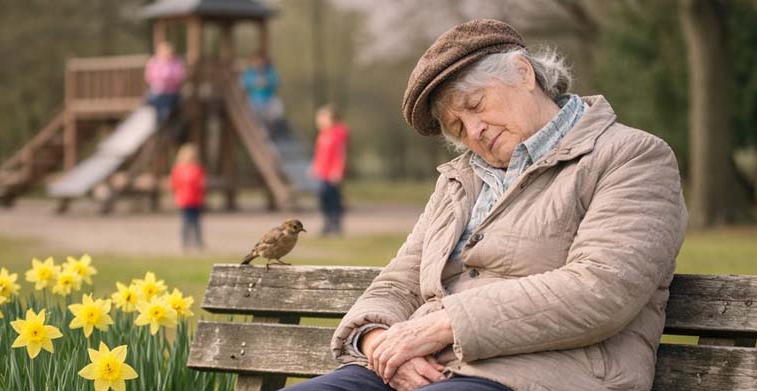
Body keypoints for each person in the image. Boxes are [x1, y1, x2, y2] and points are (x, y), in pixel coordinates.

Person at [283, 19, 688, 391]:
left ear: (524, 73)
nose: (474, 131)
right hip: (424, 372)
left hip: (541, 375)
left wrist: (444, 325)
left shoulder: (631, 156)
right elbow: (398, 281)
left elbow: (600, 289)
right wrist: (378, 342)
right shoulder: (461, 180)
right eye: (457, 127)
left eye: (475, 105)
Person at [310, 105, 349, 236]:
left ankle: (335, 224)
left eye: (322, 118)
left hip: (333, 173)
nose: (319, 121)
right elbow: (320, 154)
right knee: (323, 198)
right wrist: (315, 167)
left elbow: (341, 153)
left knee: (334, 198)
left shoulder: (339, 133)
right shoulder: (323, 135)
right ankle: (327, 223)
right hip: (323, 173)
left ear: (331, 118)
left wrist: (338, 170)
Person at [169, 143, 206, 251]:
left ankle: (198, 242)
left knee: (196, 223)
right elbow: (174, 184)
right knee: (185, 223)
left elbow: (201, 184)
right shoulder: (178, 170)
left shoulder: (197, 169)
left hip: (195, 200)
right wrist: (176, 197)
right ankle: (185, 243)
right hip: (184, 201)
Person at [145, 41, 186, 122]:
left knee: (170, 103)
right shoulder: (154, 62)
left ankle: (164, 119)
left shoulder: (176, 63)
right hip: (157, 90)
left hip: (172, 91)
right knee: (153, 99)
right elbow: (149, 76)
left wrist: (169, 81)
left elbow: (180, 76)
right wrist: (160, 81)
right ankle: (158, 119)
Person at [241, 53, 283, 125]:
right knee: (254, 113)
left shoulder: (270, 72)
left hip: (268, 100)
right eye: (257, 62)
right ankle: (258, 123)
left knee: (276, 107)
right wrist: (254, 83)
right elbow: (243, 84)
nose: (259, 64)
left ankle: (273, 123)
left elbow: (276, 82)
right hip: (254, 100)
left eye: (262, 62)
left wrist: (268, 82)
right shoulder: (249, 73)